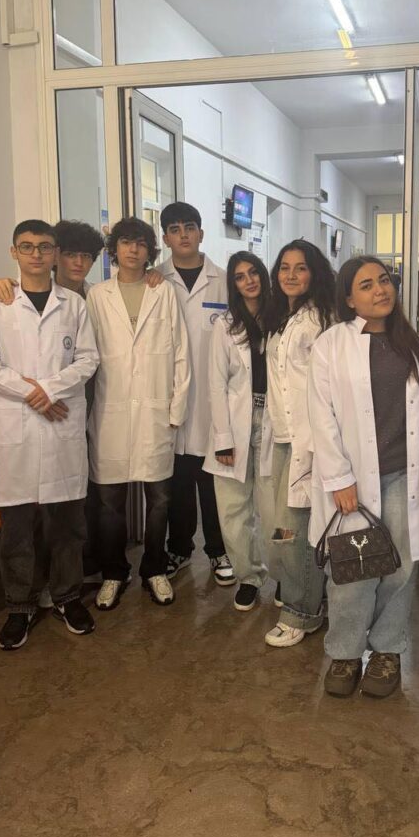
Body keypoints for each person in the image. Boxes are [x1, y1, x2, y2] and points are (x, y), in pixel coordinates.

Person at [0, 220, 99, 649]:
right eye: (26, 247)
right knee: (17, 526)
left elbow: (88, 359)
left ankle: (66, 597)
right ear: (14, 252)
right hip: (19, 424)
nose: (36, 254)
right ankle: (20, 606)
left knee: (68, 524)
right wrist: (35, 394)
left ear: (54, 253)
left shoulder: (74, 304)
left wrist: (49, 390)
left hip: (61, 424)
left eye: (44, 247)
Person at [309, 256, 419, 697]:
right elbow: (320, 413)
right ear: (348, 298)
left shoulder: (411, 342)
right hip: (355, 479)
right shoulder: (331, 344)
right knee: (352, 569)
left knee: (400, 569)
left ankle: (387, 650)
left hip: (404, 473)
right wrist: (340, 477)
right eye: (366, 285)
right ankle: (344, 653)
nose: (380, 290)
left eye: (384, 280)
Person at [86, 217, 190, 608]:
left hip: (155, 413)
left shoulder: (163, 292)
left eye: (141, 243)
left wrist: (176, 409)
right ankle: (114, 573)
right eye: (126, 242)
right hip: (110, 413)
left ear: (150, 250)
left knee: (159, 500)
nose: (133, 250)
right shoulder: (98, 296)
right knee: (109, 503)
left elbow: (180, 353)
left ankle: (154, 569)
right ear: (114, 249)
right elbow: (87, 356)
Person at [260, 239, 335, 648]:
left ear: (314, 273)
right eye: (284, 267)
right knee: (283, 529)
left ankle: (301, 612)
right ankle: (304, 595)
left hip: (308, 441)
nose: (290, 275)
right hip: (282, 438)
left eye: (300, 267)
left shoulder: (323, 318)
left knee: (295, 529)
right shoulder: (281, 317)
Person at [158, 202, 234, 586]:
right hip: (170, 400)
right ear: (165, 237)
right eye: (174, 229)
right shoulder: (155, 281)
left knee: (214, 483)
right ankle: (179, 549)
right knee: (177, 485)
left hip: (212, 402)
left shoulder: (224, 281)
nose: (183, 234)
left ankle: (219, 550)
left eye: (189, 227)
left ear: (201, 233)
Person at [203, 252, 272, 611]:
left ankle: (288, 578)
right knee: (233, 511)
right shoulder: (226, 325)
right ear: (233, 285)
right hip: (235, 422)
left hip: (274, 422)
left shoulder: (282, 318)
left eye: (254, 273)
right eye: (240, 276)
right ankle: (248, 577)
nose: (249, 281)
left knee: (276, 511)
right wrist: (222, 439)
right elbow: (216, 383)